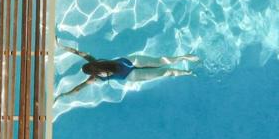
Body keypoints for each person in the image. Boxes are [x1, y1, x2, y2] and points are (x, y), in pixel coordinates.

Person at [56, 44, 199, 100]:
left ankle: (187, 72)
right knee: (160, 61)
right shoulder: (94, 60)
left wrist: (63, 94)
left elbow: (77, 89)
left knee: (163, 72)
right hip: (130, 62)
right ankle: (184, 57)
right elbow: (78, 52)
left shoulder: (94, 78)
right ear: (91, 64)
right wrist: (61, 46)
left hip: (130, 75)